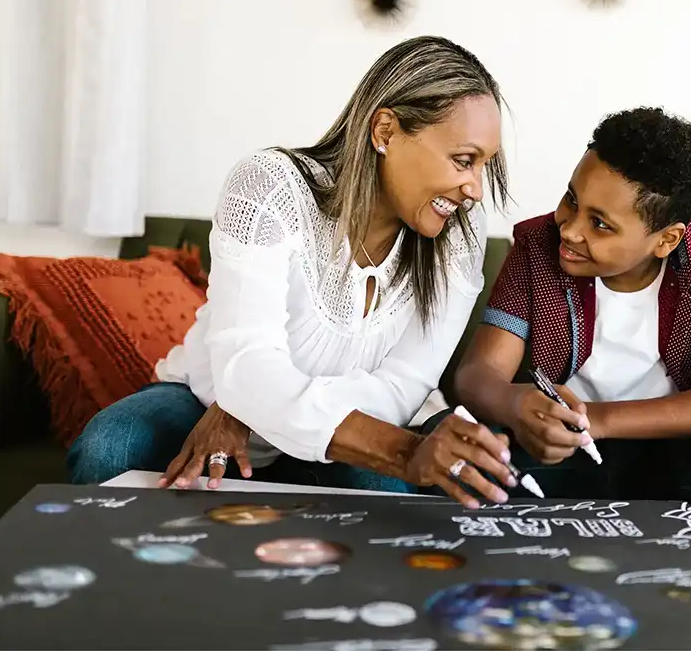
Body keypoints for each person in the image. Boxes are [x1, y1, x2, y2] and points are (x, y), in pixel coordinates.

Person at [67, 36, 517, 510]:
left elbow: (403, 387)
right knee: (110, 448)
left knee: (383, 495)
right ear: (384, 131)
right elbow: (245, 367)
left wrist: (258, 405)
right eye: (464, 161)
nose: (475, 190)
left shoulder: (461, 233)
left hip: (355, 417)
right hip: (206, 400)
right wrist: (247, 395)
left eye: (484, 165)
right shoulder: (269, 187)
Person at [449, 106, 691, 522]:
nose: (569, 229)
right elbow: (476, 375)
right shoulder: (538, 248)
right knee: (452, 439)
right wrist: (514, 404)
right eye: (572, 200)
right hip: (560, 457)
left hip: (677, 462)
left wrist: (598, 419)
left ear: (666, 240)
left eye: (600, 223)